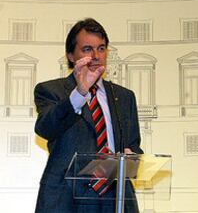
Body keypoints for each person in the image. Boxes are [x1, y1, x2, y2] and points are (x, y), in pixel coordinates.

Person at [34, 18, 143, 212]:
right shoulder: (51, 90)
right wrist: (80, 92)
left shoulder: (124, 97)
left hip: (115, 199)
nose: (95, 56)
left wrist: (132, 157)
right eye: (87, 49)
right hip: (66, 200)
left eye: (101, 49)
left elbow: (133, 145)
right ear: (70, 55)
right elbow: (45, 128)